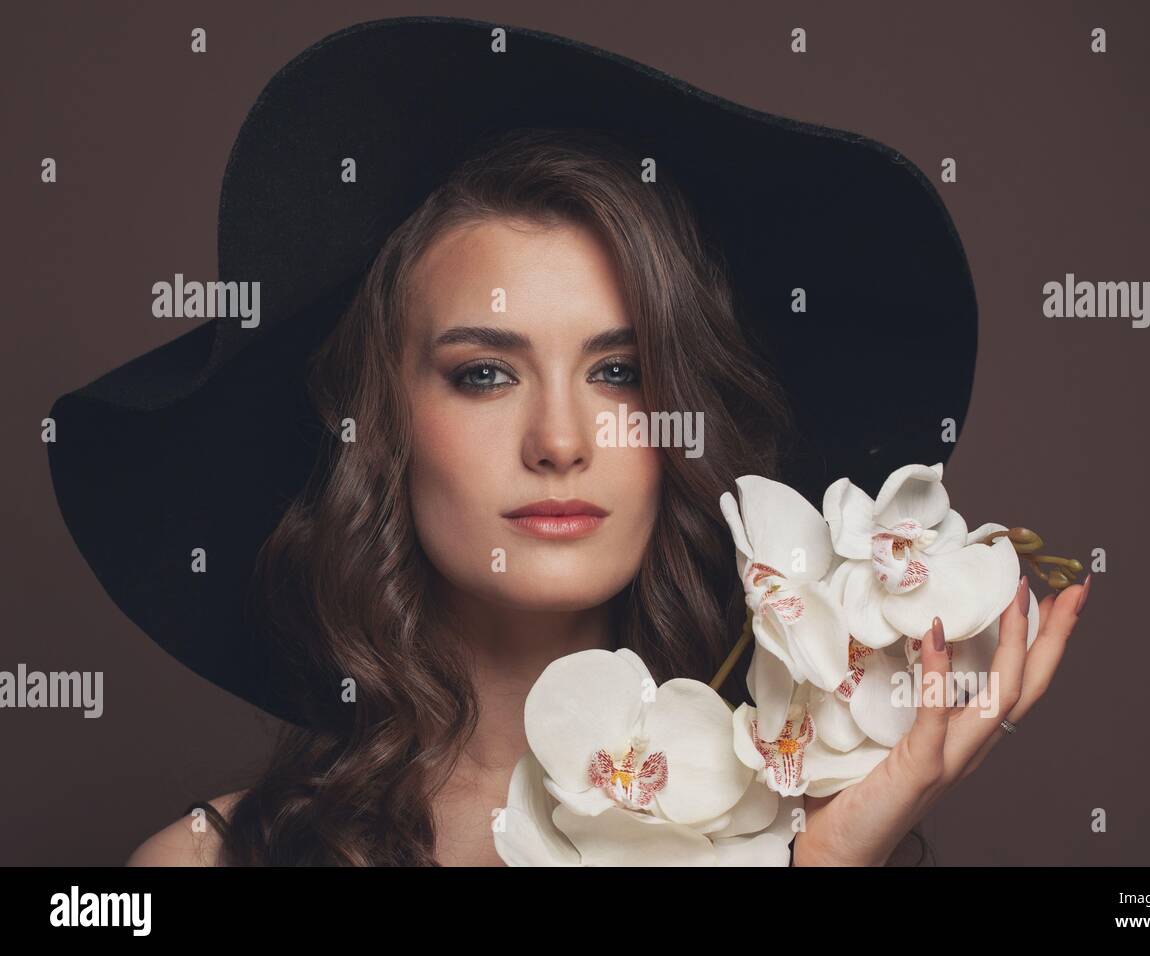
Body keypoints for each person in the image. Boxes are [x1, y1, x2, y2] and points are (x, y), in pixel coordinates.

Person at [122, 127, 1090, 867]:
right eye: (483, 374)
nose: (559, 440)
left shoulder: (806, 832)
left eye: (620, 372)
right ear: (382, 426)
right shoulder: (203, 860)